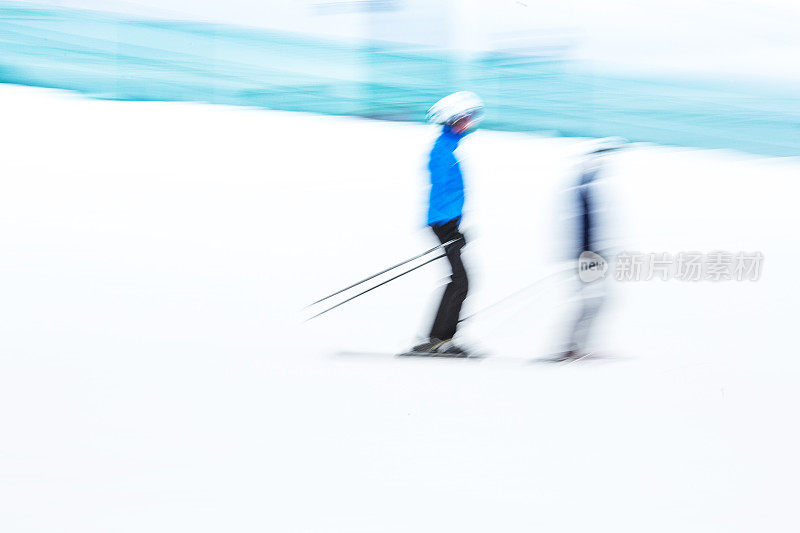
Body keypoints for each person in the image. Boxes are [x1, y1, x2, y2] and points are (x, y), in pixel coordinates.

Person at [411, 92, 484, 356]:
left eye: (470, 120)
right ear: (451, 120)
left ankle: (439, 338)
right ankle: (439, 339)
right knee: (461, 282)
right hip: (444, 222)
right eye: (464, 119)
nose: (469, 124)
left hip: (447, 222)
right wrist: (450, 229)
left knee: (459, 281)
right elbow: (441, 191)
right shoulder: (442, 150)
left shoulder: (448, 146)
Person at [554, 137, 625, 362]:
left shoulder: (583, 187)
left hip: (587, 252)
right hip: (587, 254)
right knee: (594, 301)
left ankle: (575, 347)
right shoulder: (584, 189)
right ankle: (572, 348)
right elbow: (586, 227)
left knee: (594, 300)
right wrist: (593, 253)